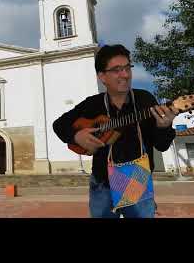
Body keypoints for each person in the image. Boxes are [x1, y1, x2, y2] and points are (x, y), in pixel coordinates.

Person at [52, 44, 179, 218]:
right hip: (102, 183)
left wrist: (164, 127)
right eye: (117, 70)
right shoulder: (92, 104)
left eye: (127, 68)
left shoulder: (145, 100)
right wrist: (76, 136)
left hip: (137, 180)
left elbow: (162, 146)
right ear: (102, 76)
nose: (125, 75)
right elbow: (59, 124)